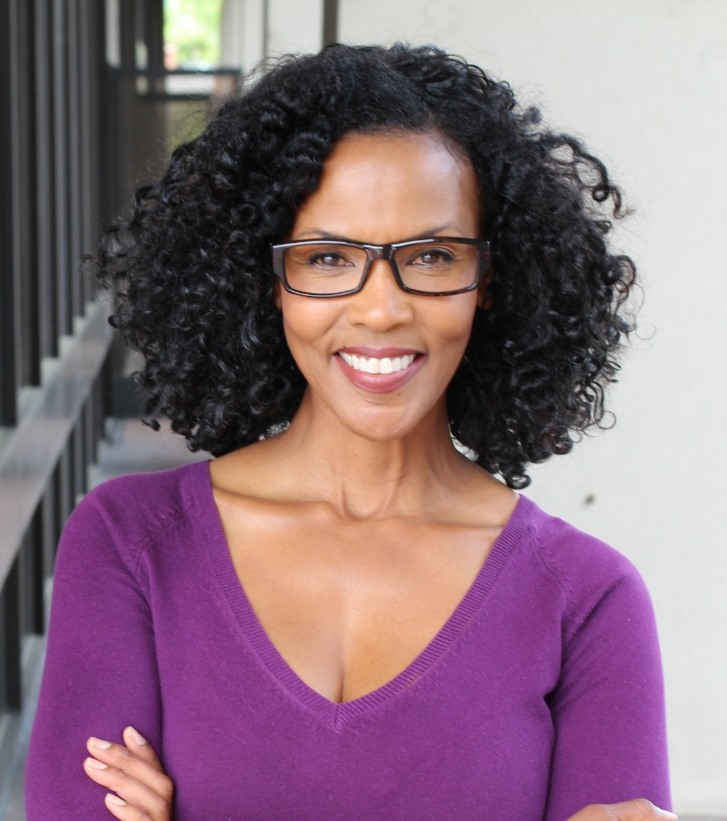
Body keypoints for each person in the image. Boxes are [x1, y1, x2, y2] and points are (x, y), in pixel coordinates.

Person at [26, 43, 675, 820]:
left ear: (491, 281)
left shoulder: (586, 600)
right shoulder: (131, 544)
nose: (380, 309)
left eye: (432, 255)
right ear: (265, 280)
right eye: (328, 257)